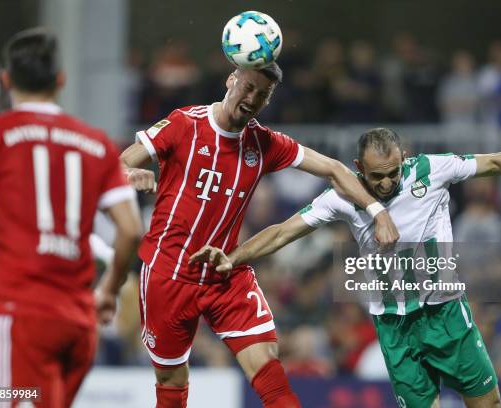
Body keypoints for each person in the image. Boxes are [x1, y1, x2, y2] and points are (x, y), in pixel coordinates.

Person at [192, 128, 501, 408]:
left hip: (445, 314)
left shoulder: (430, 170)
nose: (387, 182)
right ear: (358, 169)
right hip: (394, 326)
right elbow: (282, 232)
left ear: (403, 157)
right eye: (377, 176)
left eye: (393, 172)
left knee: (488, 405)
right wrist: (233, 257)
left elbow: (490, 162)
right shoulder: (343, 197)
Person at [121, 63, 399, 407]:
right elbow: (120, 165)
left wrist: (377, 210)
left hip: (226, 271)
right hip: (168, 275)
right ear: (230, 80)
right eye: (248, 87)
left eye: (262, 95)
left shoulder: (264, 143)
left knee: (270, 370)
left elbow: (333, 169)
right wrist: (132, 174)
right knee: (171, 381)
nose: (252, 99)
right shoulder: (183, 123)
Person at [0, 28, 143, 407]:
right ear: (61, 80)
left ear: (5, 80)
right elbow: (131, 230)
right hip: (78, 321)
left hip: (21, 317)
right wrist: (109, 291)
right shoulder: (96, 142)